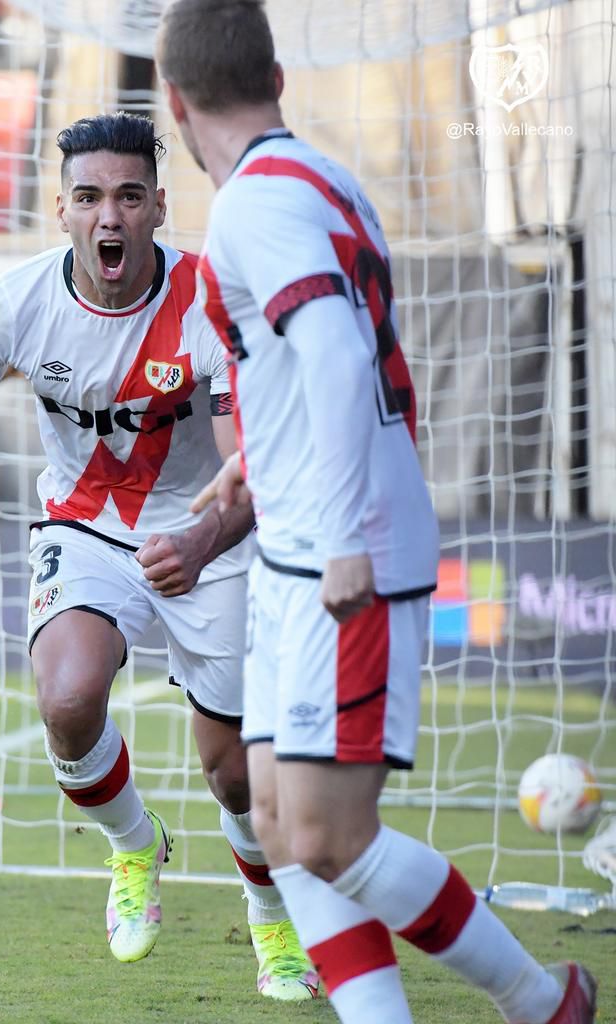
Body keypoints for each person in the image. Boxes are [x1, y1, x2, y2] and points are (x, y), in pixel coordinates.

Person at [156, 3, 598, 1023]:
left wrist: (345, 534)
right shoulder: (322, 177)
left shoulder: (253, 205)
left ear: (174, 103)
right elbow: (312, 356)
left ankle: (544, 1003)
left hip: (338, 552)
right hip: (298, 543)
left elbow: (337, 352)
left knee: (329, 837)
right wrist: (259, 463)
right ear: (276, 77)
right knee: (279, 826)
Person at [0, 112, 319, 1001]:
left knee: (235, 773)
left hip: (209, 532)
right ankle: (133, 845)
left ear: (159, 207)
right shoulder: (12, 304)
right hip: (82, 530)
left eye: (127, 196)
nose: (108, 216)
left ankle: (270, 918)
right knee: (69, 700)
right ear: (62, 210)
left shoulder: (213, 302)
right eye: (88, 198)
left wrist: (203, 539)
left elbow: (252, 466)